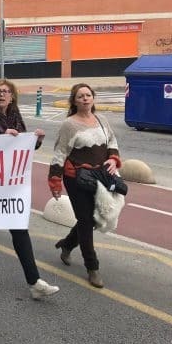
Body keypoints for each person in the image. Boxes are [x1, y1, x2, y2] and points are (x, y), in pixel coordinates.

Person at [0, 80, 60, 299]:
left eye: (6, 92)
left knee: (19, 228)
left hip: (11, 185)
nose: (2, 94)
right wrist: (0, 139)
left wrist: (36, 141)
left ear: (12, 97)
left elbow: (24, 148)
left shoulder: (15, 116)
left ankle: (34, 281)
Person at [49, 83, 121, 288]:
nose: (85, 99)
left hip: (100, 176)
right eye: (80, 96)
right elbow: (59, 153)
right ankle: (92, 267)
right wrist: (55, 181)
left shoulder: (102, 120)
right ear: (74, 101)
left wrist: (114, 160)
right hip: (76, 178)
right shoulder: (69, 125)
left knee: (93, 220)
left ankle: (67, 244)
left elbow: (112, 142)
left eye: (88, 95)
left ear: (93, 98)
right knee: (85, 219)